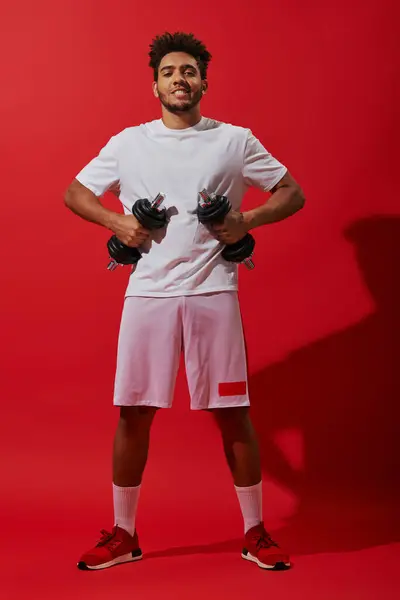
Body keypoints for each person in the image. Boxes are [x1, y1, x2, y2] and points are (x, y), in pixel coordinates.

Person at [64, 31, 305, 572]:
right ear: (155, 85)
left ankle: (255, 532)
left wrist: (246, 219)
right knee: (133, 412)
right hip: (147, 292)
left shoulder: (234, 140)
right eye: (170, 71)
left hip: (213, 290)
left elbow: (292, 192)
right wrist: (117, 221)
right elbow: (75, 192)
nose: (180, 78)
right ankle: (124, 534)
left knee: (233, 412)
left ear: (203, 82)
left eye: (190, 71)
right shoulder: (129, 142)